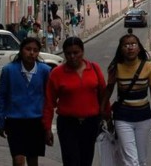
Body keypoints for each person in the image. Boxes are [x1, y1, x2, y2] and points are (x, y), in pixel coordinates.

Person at [43, 37, 107, 166]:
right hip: (68, 125)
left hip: (91, 123)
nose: (72, 56)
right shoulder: (57, 73)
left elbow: (103, 95)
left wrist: (108, 116)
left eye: (76, 52)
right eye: (68, 53)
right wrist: (47, 128)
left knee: (86, 160)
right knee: (71, 161)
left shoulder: (94, 68)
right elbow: (49, 102)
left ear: (82, 52)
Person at [101, 31, 151, 165]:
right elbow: (109, 89)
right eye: (126, 45)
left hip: (143, 117)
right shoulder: (115, 68)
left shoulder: (148, 67)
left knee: (141, 159)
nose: (130, 47)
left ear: (139, 47)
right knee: (131, 160)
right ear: (121, 49)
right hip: (123, 118)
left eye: (133, 44)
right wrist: (102, 109)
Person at [0, 37, 51, 166]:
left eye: (35, 50)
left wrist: (47, 127)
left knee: (33, 159)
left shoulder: (45, 71)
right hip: (15, 121)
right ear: (21, 51)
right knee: (18, 159)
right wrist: (0, 121)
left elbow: (49, 99)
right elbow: (1, 97)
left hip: (36, 121)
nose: (31, 53)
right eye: (28, 49)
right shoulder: (9, 70)